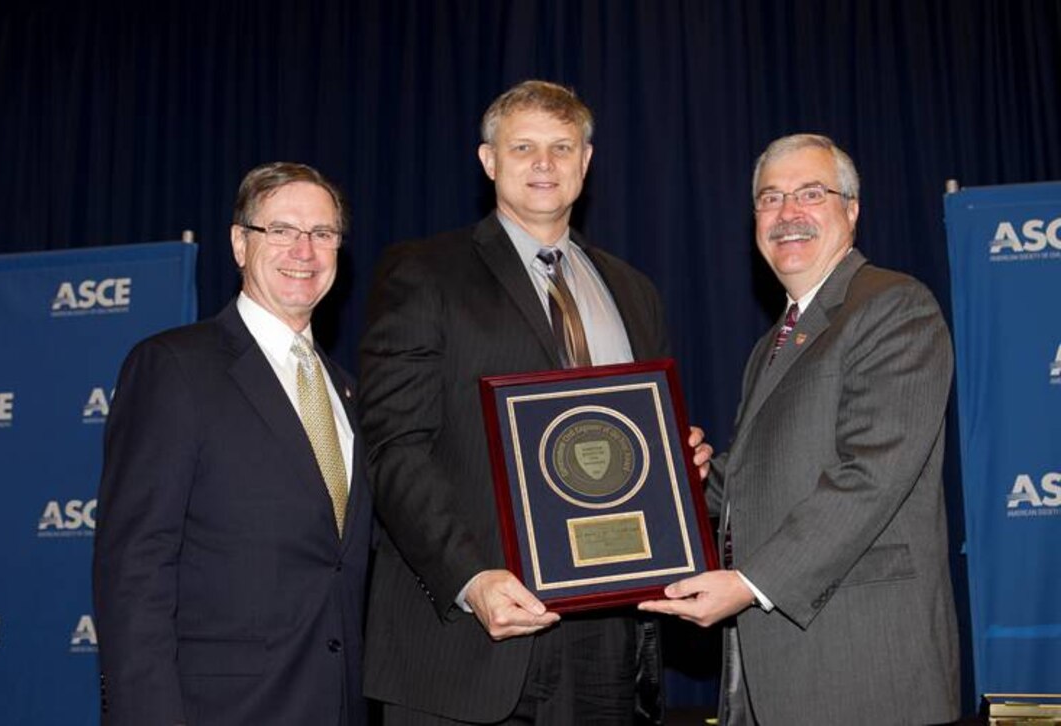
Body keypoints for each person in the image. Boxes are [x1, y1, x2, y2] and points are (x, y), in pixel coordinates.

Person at [358, 80, 671, 724]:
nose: (544, 164)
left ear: (586, 162)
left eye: (562, 147)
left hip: (605, 643)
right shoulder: (425, 271)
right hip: (466, 642)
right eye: (523, 146)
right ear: (488, 160)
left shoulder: (634, 291)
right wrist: (471, 579)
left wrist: (673, 461)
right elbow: (394, 447)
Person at [640, 133, 961, 724]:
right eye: (770, 198)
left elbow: (871, 475)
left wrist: (749, 583)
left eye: (810, 193)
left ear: (852, 210)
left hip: (862, 668)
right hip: (778, 667)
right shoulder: (775, 341)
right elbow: (761, 484)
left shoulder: (894, 306)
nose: (787, 214)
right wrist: (688, 473)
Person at [93, 162, 372, 725]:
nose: (305, 250)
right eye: (282, 230)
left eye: (322, 233)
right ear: (240, 243)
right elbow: (135, 568)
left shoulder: (346, 390)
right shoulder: (174, 367)